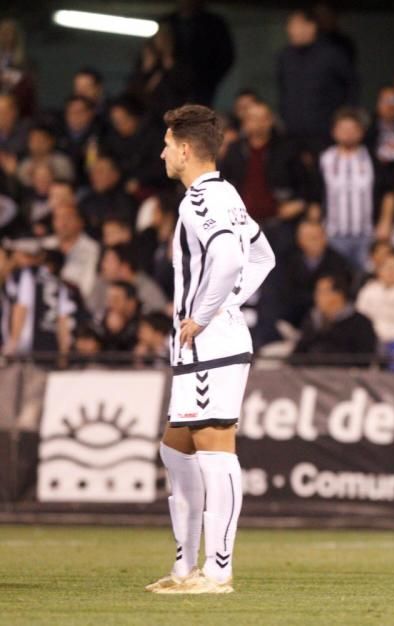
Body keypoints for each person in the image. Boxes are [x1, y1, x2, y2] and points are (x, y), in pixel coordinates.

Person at [145, 104, 275, 595]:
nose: (161, 153)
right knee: (176, 450)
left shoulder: (202, 199)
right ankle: (184, 569)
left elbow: (225, 256)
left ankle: (217, 572)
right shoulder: (226, 196)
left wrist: (206, 311)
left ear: (183, 148)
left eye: (165, 145)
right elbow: (263, 255)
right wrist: (227, 302)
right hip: (203, 343)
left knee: (215, 447)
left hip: (210, 341)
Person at [277, 9, 356, 152]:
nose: (290, 30)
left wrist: (345, 118)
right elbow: (282, 90)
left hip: (324, 133)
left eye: (295, 25)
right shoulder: (285, 56)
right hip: (292, 132)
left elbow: (352, 84)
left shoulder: (332, 54)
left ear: (311, 26)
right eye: (289, 26)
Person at [319, 108, 375, 268]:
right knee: (337, 277)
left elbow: (386, 191)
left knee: (365, 278)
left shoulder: (372, 158)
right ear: (334, 132)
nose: (348, 133)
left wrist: (385, 220)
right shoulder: (325, 159)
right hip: (334, 234)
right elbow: (316, 194)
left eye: (353, 129)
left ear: (361, 132)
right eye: (343, 129)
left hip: (366, 234)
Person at [291, 273, 377, 365]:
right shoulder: (312, 320)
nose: (317, 297)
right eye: (317, 292)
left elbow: (364, 359)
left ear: (338, 295)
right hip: (308, 375)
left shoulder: (360, 323)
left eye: (322, 292)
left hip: (344, 375)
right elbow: (298, 353)